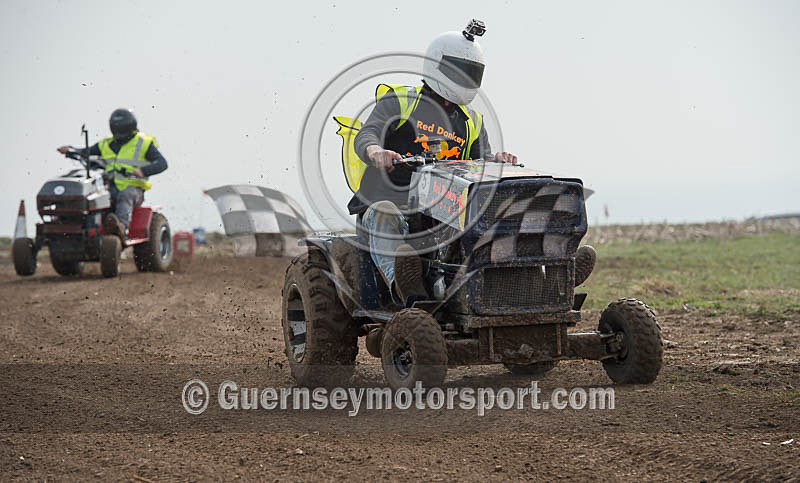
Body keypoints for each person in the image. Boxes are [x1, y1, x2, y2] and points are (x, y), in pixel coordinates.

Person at [349, 20, 517, 306]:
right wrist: (377, 151)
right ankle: (405, 285)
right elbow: (368, 133)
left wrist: (497, 161)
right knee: (385, 213)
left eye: (471, 72)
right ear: (437, 65)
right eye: (459, 70)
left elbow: (481, 164)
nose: (465, 78)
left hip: (445, 209)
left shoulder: (472, 121)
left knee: (492, 214)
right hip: (394, 205)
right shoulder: (401, 102)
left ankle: (537, 273)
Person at [57, 108, 168, 239]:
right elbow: (86, 152)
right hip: (108, 188)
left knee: (125, 195)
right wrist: (71, 150)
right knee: (89, 197)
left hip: (134, 189)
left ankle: (121, 228)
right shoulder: (106, 144)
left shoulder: (143, 143)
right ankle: (77, 229)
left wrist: (142, 171)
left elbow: (162, 164)